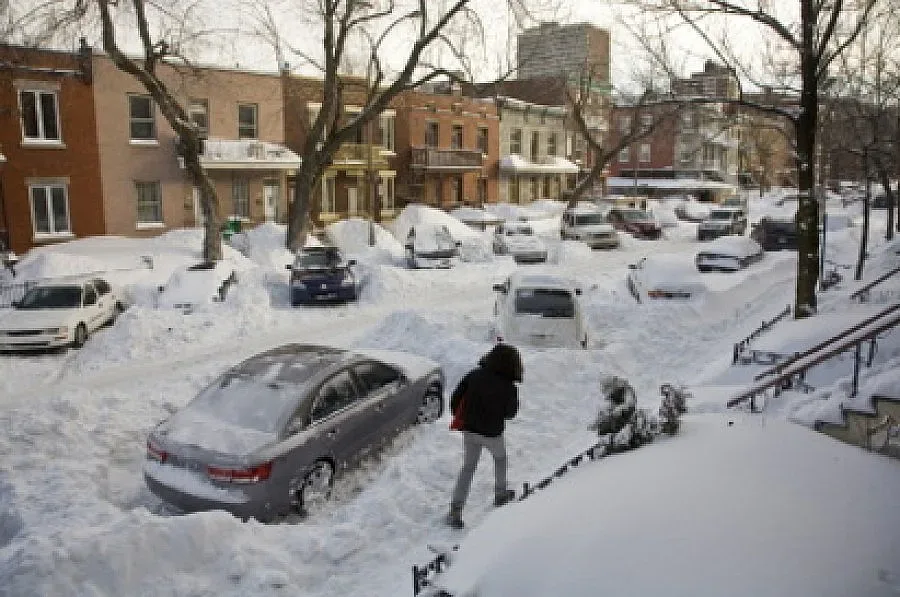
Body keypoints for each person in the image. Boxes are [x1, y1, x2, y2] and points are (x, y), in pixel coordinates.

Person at [446, 343, 522, 529]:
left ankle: (456, 510)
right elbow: (510, 414)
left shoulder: (474, 375)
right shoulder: (509, 386)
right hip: (492, 434)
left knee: (468, 467)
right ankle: (500, 494)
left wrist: (463, 416)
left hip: (470, 430)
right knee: (500, 458)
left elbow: (455, 398)